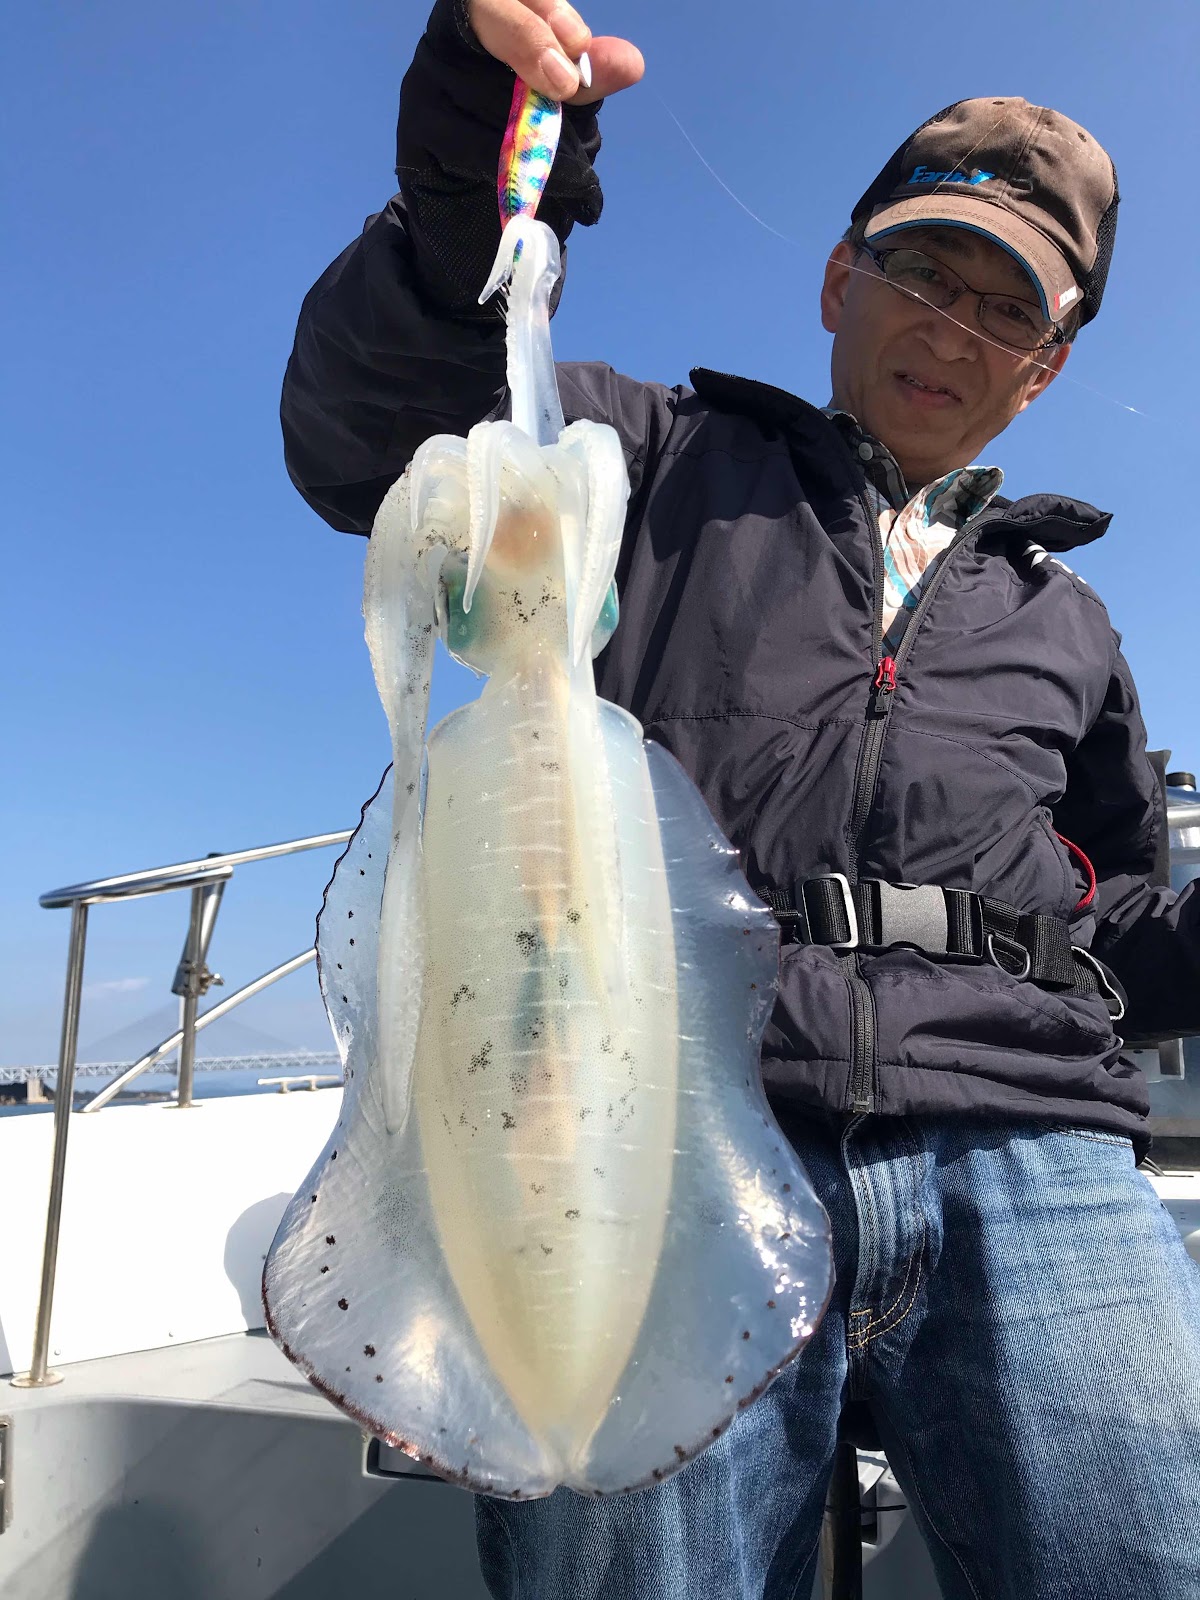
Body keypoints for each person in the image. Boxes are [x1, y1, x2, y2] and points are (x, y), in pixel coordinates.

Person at [279, 3, 1200, 1596]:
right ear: (841, 281)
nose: (954, 331)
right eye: (925, 274)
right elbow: (389, 429)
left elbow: (1117, 926)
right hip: (671, 1115)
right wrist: (482, 136)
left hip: (1027, 1134)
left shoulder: (1069, 623)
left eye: (1006, 311)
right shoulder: (648, 460)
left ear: (1044, 371)